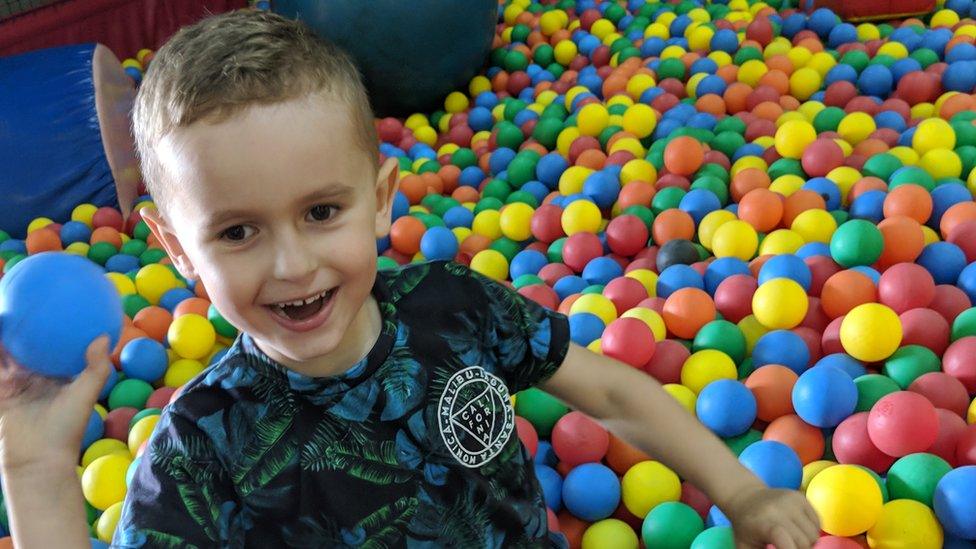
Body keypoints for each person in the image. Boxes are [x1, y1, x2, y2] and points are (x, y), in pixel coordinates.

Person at [0, 10, 821, 548]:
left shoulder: (454, 307)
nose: (292, 263)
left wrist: (742, 492)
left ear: (382, 198)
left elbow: (609, 393)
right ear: (177, 249)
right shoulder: (200, 446)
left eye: (322, 211)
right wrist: (38, 474)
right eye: (239, 231)